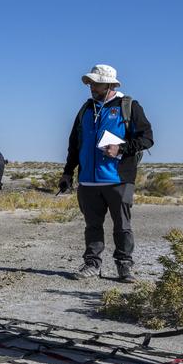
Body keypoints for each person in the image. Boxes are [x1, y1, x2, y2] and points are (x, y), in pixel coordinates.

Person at [58, 64, 154, 282]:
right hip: (88, 182)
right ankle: (92, 264)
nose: (91, 86)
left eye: (96, 83)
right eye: (90, 83)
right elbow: (74, 144)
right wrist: (67, 173)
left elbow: (147, 138)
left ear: (109, 84)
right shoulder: (85, 109)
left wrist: (120, 148)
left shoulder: (128, 106)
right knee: (92, 226)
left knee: (122, 226)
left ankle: (124, 266)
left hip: (118, 179)